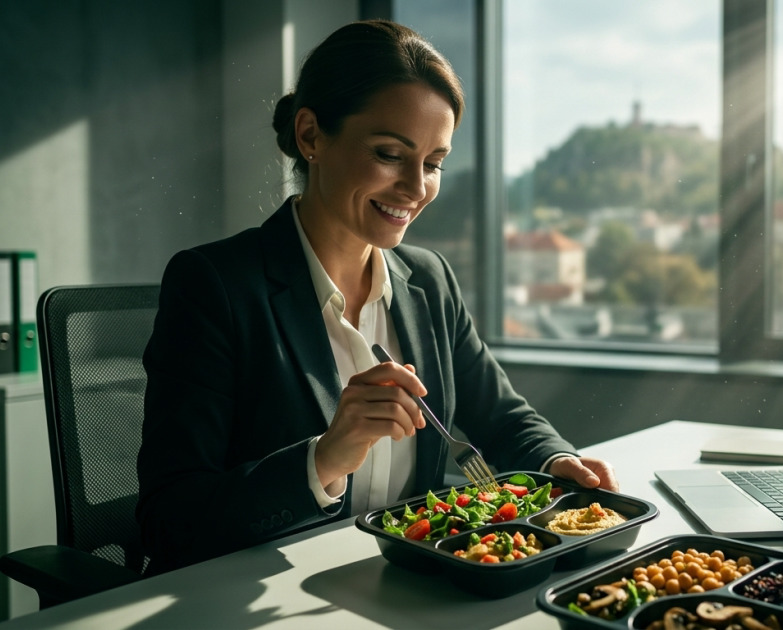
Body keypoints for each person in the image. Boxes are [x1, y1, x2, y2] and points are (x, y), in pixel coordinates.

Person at [135, 19, 617, 576]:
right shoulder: (214, 285)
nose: (416, 188)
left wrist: (559, 461)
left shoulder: (428, 279)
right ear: (311, 135)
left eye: (433, 163)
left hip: (408, 584)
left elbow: (502, 417)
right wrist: (322, 460)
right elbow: (168, 521)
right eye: (390, 154)